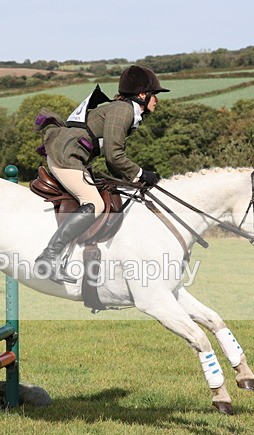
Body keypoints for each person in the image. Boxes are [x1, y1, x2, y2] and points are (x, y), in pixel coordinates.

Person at [34, 65, 169, 283]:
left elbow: (112, 160)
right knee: (94, 203)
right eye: (155, 95)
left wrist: (133, 180)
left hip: (72, 156)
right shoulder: (123, 110)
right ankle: (48, 258)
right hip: (66, 156)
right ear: (143, 95)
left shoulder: (124, 110)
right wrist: (141, 174)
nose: (157, 100)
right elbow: (114, 155)